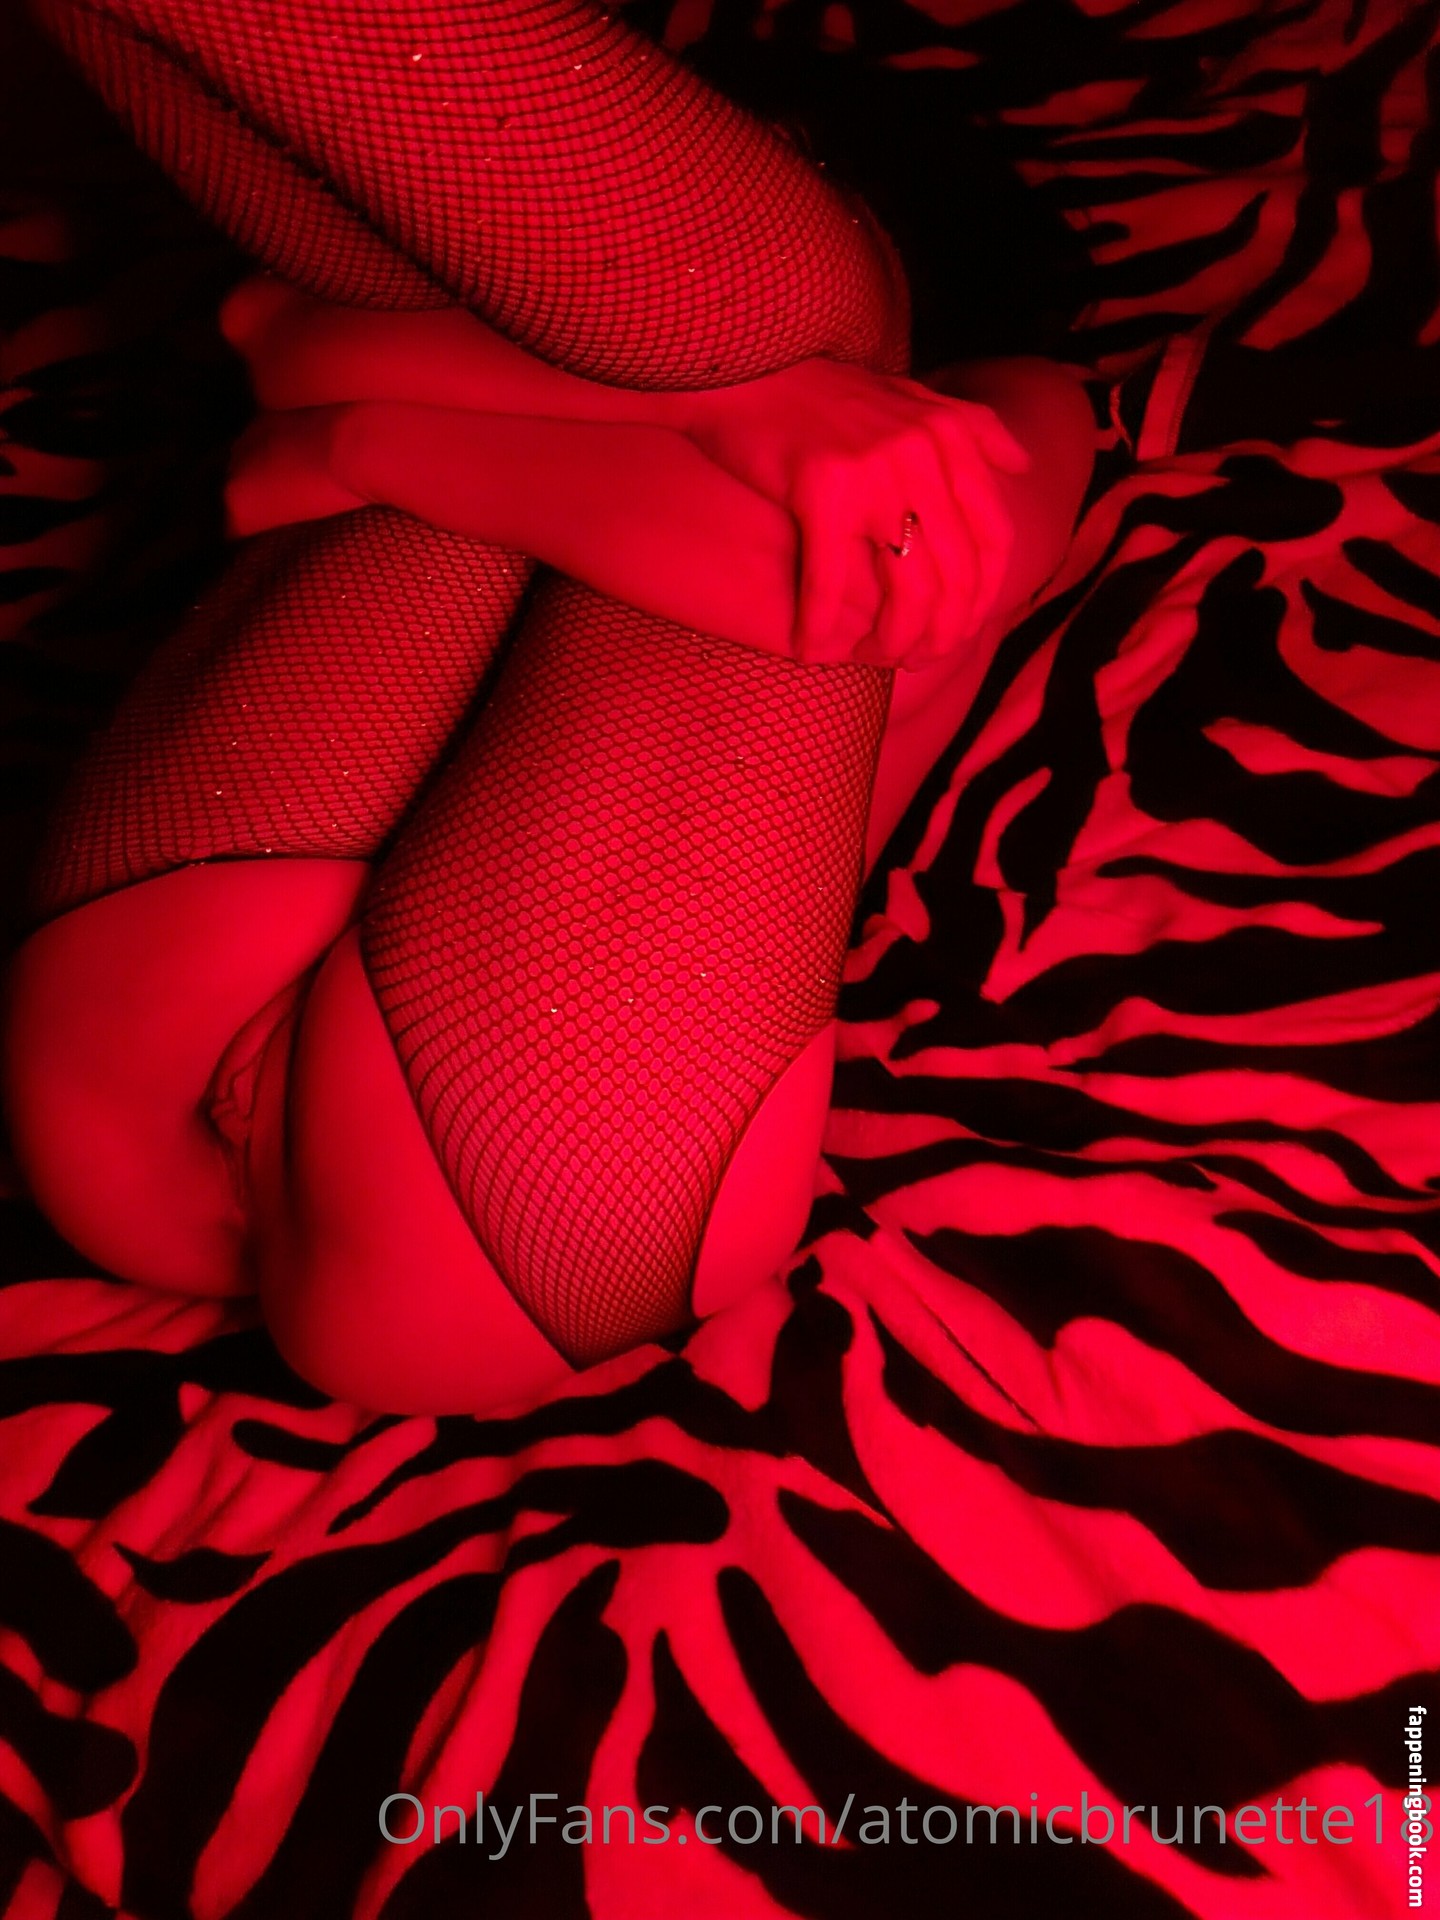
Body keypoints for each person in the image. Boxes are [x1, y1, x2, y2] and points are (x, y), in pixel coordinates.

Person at [2, 0, 1094, 1415]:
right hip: (182, 1046)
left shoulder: (1002, 399)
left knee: (810, 310)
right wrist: (717, 408)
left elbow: (846, 586)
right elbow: (272, 334)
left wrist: (370, 445)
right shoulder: (539, 336)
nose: (613, 249)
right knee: (735, 327)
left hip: (512, 1179)